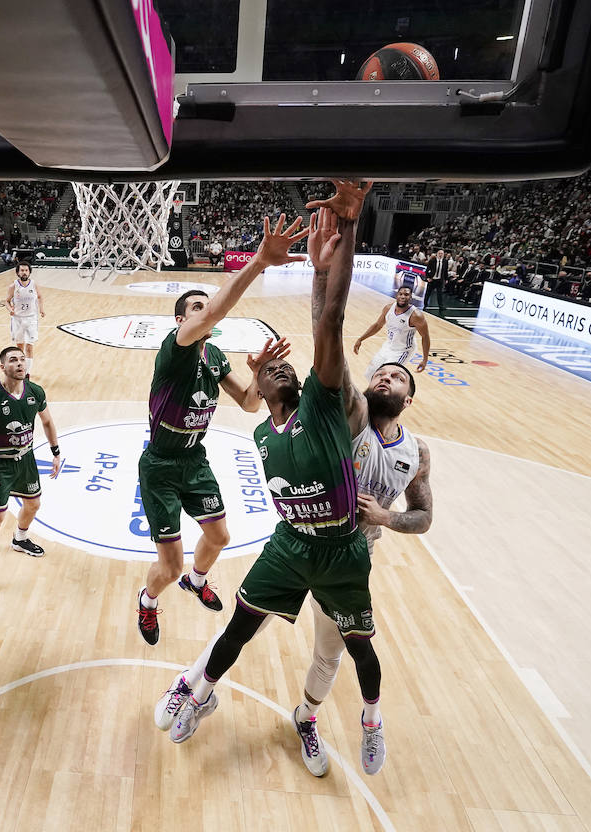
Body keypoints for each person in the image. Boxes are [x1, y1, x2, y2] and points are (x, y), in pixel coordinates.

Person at [164, 183, 393, 777]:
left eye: (283, 364)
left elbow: (331, 322)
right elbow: (241, 387)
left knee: (361, 650)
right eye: (269, 369)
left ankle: (370, 720)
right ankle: (199, 691)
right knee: (239, 626)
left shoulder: (323, 404)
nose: (280, 366)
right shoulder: (262, 434)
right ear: (258, 389)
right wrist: (251, 369)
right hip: (290, 545)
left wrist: (335, 246)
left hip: (343, 549)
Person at [134, 215, 307, 645]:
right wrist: (259, 262)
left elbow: (250, 404)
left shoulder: (214, 357)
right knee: (167, 568)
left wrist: (262, 375)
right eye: (195, 307)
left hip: (194, 459)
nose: (204, 310)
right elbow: (218, 308)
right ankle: (148, 599)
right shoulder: (175, 351)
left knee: (219, 535)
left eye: (202, 307)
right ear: (181, 321)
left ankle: (197, 580)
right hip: (160, 464)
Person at [0, 346, 63, 602]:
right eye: (13, 360)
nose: (20, 363)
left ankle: (20, 538)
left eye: (22, 359)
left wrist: (55, 451)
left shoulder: (35, 392)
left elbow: (47, 421)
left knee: (33, 504)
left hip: (27, 459)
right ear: (3, 367)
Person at [352, 285, 431, 379]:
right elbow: (378, 325)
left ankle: (397, 392)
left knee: (387, 375)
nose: (403, 296)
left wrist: (425, 359)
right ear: (396, 295)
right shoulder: (388, 308)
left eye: (406, 294)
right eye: (400, 294)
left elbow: (425, 336)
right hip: (388, 346)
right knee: (370, 374)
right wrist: (361, 339)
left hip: (403, 350)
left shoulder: (416, 316)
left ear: (410, 297)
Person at [8, 261, 45, 376]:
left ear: (29, 272)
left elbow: (39, 297)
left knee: (29, 346)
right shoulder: (13, 286)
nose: (24, 272)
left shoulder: (34, 284)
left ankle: (27, 373)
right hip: (18, 319)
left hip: (31, 319)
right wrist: (10, 309)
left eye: (26, 270)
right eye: (22, 270)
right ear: (18, 273)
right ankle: (20, 370)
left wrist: (41, 309)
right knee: (19, 348)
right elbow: (7, 301)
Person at [423, 249, 448, 315]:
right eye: (439, 253)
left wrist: (446, 279)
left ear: (443, 255)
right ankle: (425, 304)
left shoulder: (445, 261)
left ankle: (441, 306)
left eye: (442, 253)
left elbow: (445, 271)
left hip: (439, 280)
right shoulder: (432, 261)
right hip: (432, 280)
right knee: (428, 293)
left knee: (439, 294)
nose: (440, 255)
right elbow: (427, 270)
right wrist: (428, 278)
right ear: (437, 254)